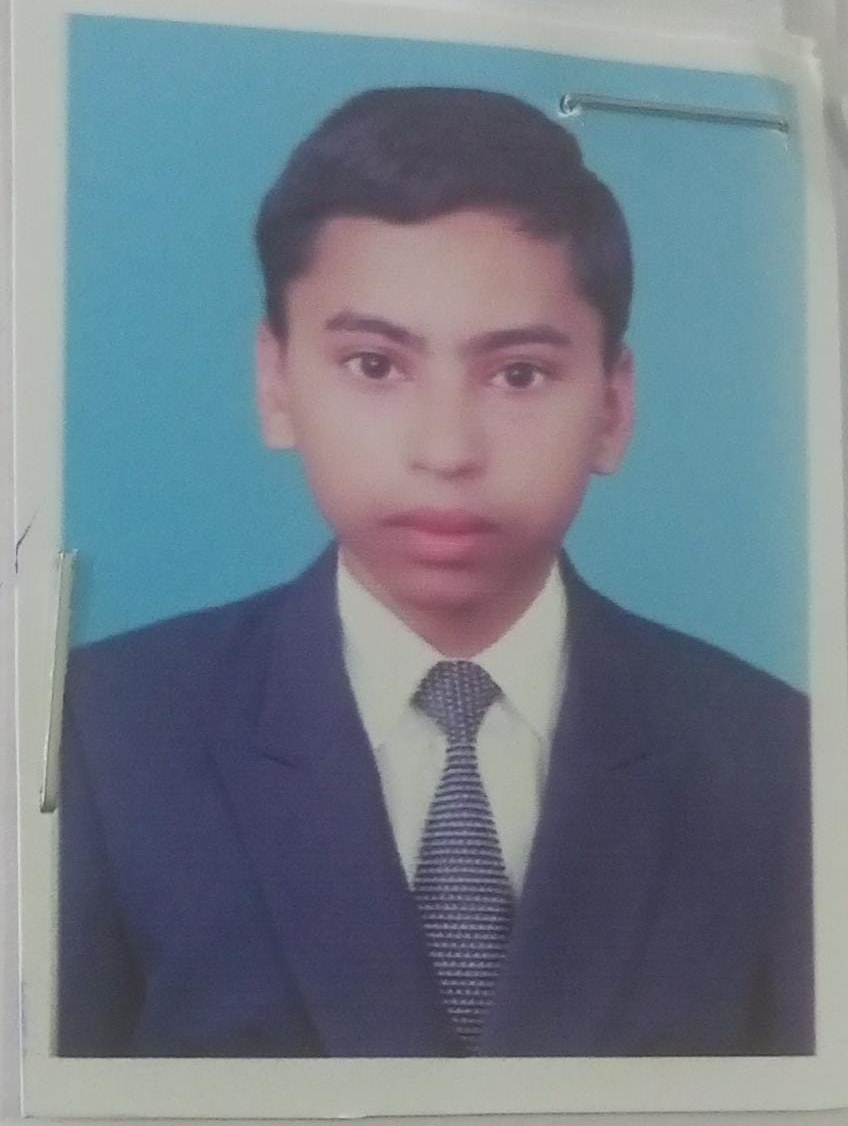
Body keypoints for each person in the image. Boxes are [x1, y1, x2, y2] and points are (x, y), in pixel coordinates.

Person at [58, 86, 813, 1059]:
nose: (447, 449)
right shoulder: (103, 732)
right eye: (375, 365)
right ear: (276, 381)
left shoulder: (778, 757)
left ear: (612, 407)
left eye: (518, 374)